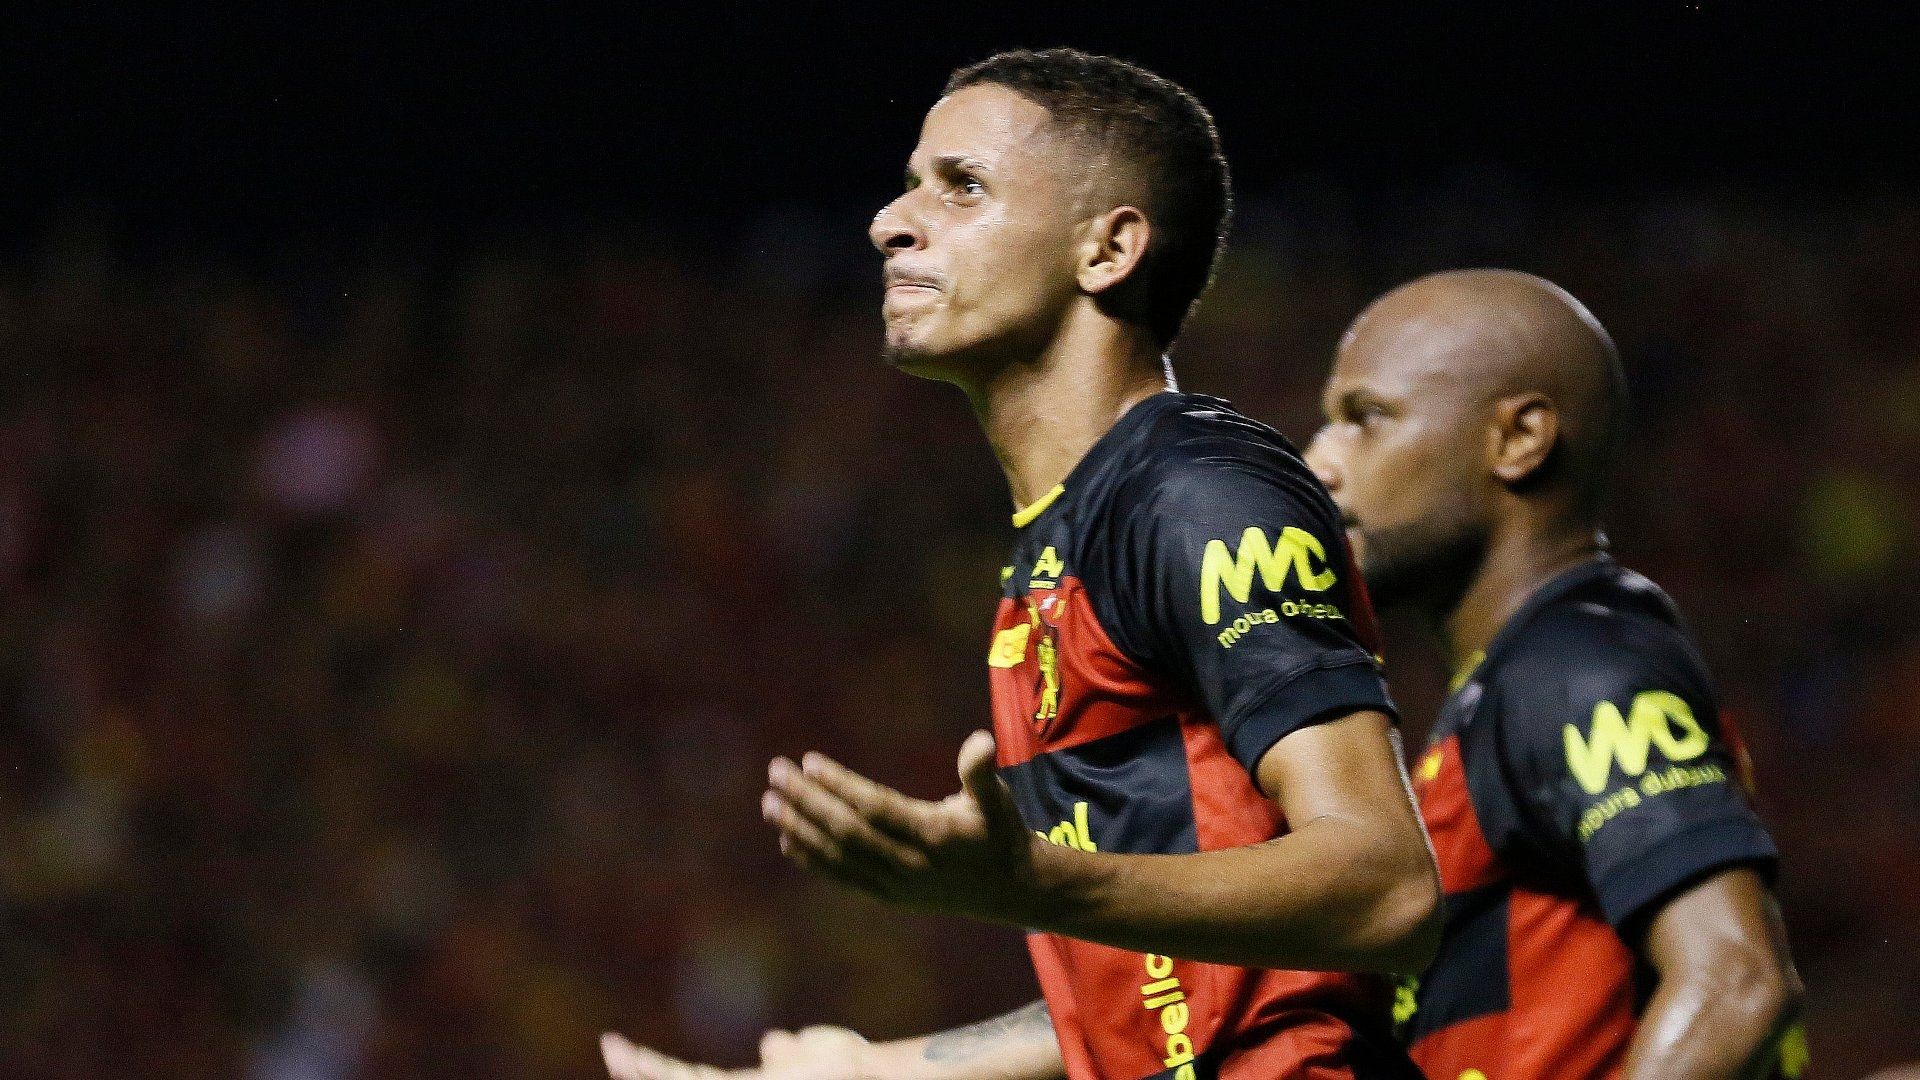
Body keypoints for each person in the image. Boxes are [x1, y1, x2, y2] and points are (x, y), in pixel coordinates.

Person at [604, 47, 1439, 1080]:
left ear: (1107, 249)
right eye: (912, 184)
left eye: (961, 187)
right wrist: (887, 1071)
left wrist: (1034, 882)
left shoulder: (1198, 495)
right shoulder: (1064, 537)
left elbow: (1386, 887)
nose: (890, 221)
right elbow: (1189, 986)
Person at [1303, 269, 1806, 1080]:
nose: (1319, 462)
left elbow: (1735, 984)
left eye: (1366, 420)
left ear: (1520, 438)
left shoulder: (1581, 664)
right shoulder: (1507, 686)